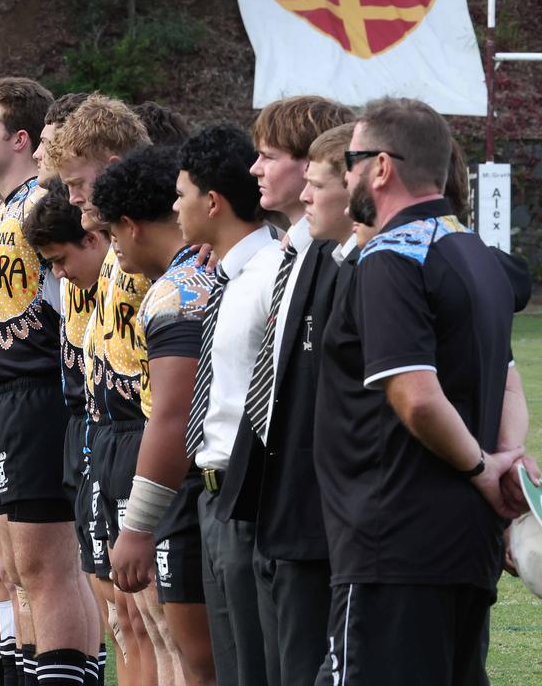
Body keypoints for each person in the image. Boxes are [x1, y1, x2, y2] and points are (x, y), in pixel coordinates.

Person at [315, 97, 537, 685]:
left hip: (393, 542)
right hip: (464, 548)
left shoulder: (391, 256)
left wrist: (484, 468)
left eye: (352, 161)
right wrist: (505, 459)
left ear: (382, 167)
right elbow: (507, 376)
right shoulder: (477, 255)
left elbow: (414, 394)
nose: (347, 176)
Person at [0, 77, 102, 686]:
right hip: (2, 398)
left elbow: (74, 303)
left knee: (47, 568)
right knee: (20, 569)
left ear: (19, 140)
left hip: (40, 395)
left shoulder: (44, 209)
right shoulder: (7, 212)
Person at [216, 97, 354, 686]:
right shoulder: (285, 252)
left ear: (312, 167)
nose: (255, 169)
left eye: (269, 156)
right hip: (263, 494)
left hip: (306, 507)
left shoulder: (333, 256)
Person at [48, 94, 168, 685]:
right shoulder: (118, 250)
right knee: (125, 618)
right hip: (108, 435)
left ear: (114, 161)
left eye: (77, 183)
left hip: (149, 437)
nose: (73, 199)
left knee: (160, 625)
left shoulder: (155, 248)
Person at [95, 146, 218, 686]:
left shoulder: (174, 291)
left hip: (192, 489)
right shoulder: (213, 267)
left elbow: (173, 414)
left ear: (129, 225)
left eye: (111, 233)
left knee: (199, 662)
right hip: (213, 485)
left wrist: (138, 525)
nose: (112, 248)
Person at [18, 178, 121, 686]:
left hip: (120, 428)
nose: (57, 274)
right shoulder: (78, 283)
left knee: (143, 617)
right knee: (121, 610)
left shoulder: (134, 278)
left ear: (94, 238)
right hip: (87, 420)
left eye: (61, 260)